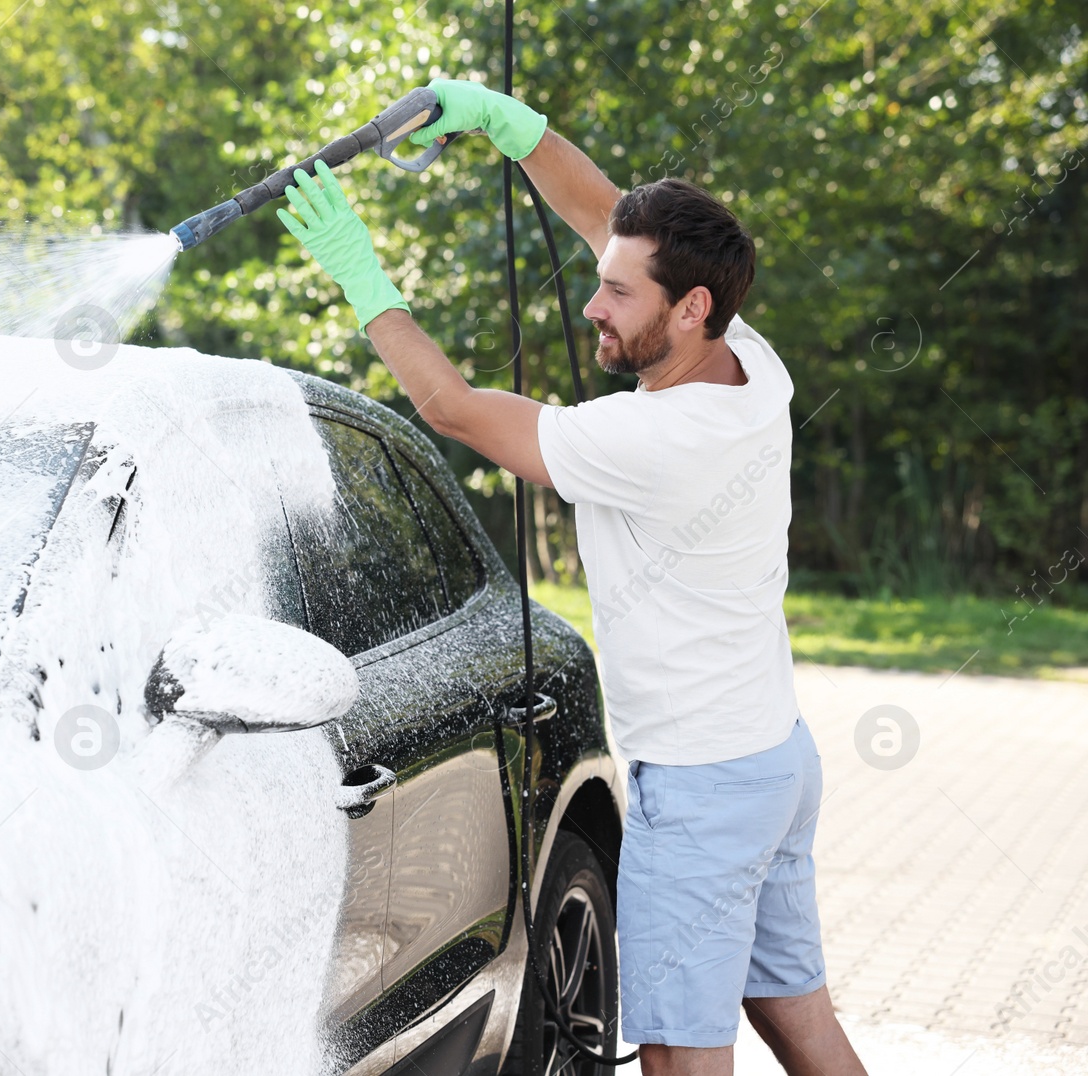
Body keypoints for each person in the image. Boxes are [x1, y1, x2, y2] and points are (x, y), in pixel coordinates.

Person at [277, 79, 869, 1076]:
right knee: (799, 1021)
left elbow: (456, 408)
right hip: (771, 761)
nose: (594, 303)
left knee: (683, 1059)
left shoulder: (650, 437)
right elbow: (606, 217)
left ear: (688, 307)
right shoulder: (744, 359)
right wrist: (505, 125)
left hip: (704, 789)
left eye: (618, 295)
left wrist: (364, 280)